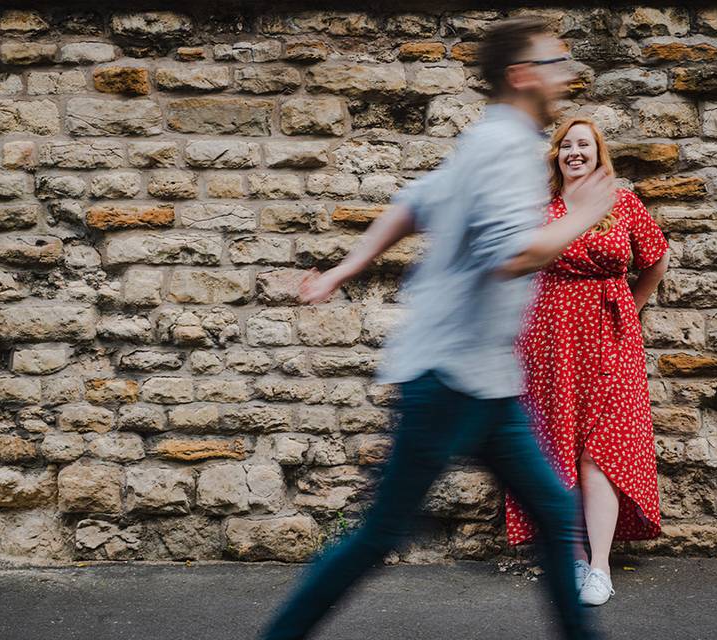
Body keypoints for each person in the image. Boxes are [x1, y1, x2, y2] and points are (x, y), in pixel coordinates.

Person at [260, 17, 617, 640]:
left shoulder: (488, 139)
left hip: (485, 380)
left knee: (557, 513)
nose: (566, 69)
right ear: (522, 75)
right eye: (554, 59)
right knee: (379, 535)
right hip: (450, 379)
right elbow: (508, 256)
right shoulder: (505, 148)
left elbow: (412, 205)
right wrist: (582, 215)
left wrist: (344, 269)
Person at [504, 118, 670, 607]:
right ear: (556, 155)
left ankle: (600, 567)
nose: (575, 152)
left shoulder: (622, 203)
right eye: (566, 146)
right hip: (551, 339)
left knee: (603, 448)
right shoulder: (542, 209)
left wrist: (632, 308)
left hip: (611, 339)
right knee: (559, 446)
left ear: (599, 154)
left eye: (585, 145)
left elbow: (656, 258)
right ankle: (574, 557)